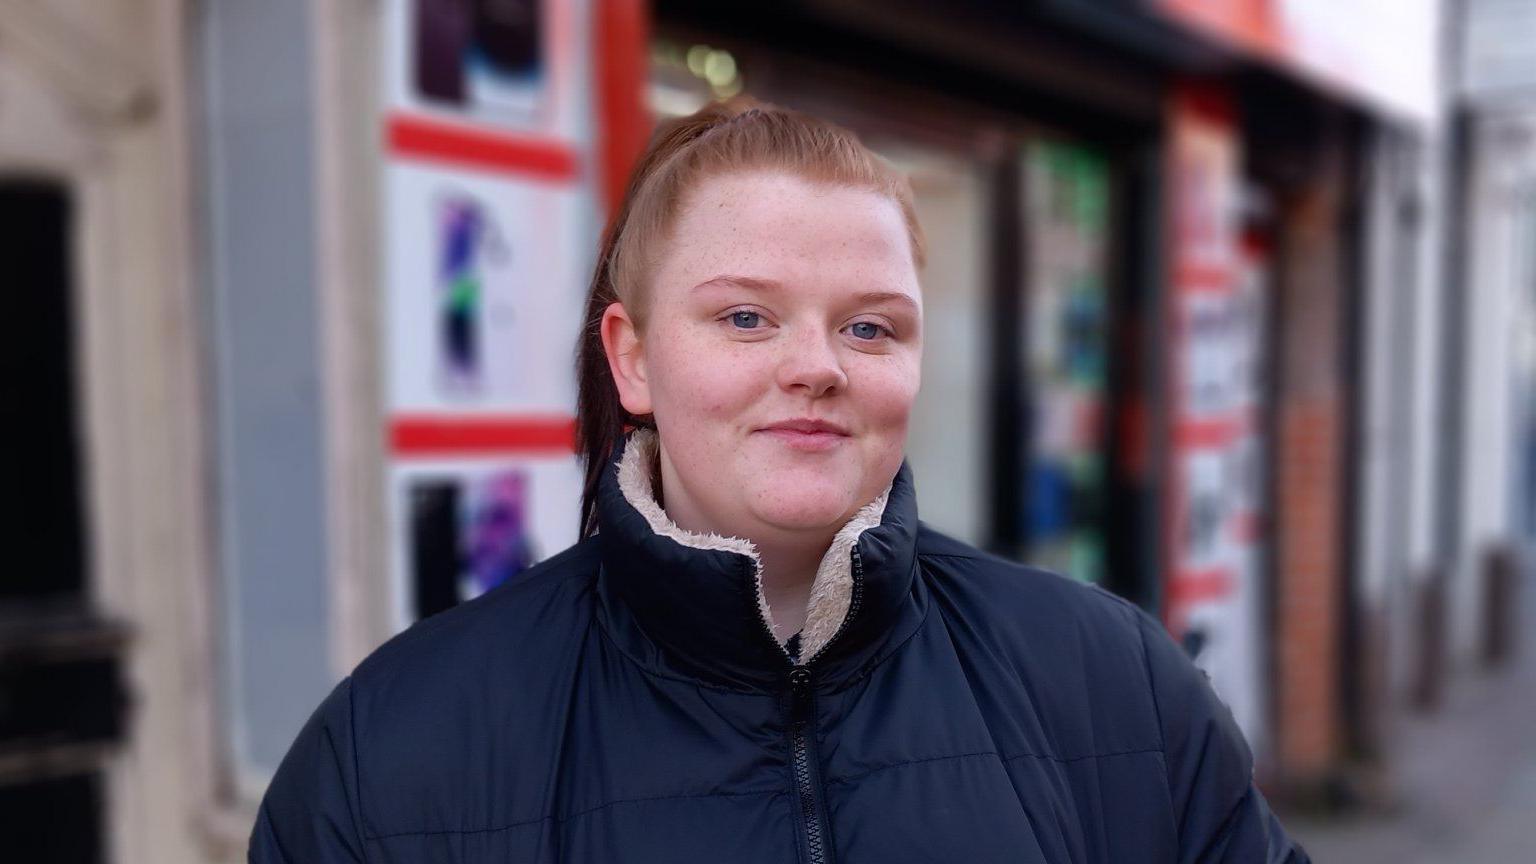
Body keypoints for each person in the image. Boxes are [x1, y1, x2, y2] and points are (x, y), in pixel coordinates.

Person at [249, 98, 1308, 863]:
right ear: (633, 358)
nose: (819, 364)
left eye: (870, 325)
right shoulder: (391, 750)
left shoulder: (1111, 682)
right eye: (746, 315)